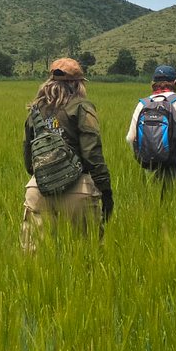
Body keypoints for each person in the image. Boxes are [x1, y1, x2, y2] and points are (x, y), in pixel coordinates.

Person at [21, 57, 114, 249]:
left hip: (39, 189)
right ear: (76, 83)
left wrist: (48, 176)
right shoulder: (82, 106)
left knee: (36, 260)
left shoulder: (35, 111)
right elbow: (92, 153)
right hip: (78, 189)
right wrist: (105, 190)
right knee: (87, 255)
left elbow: (29, 158)